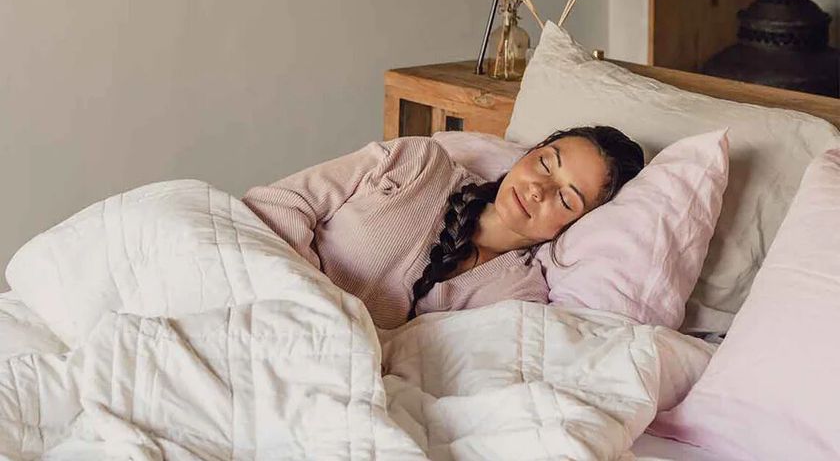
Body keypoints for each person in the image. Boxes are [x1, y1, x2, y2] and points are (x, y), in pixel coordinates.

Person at [243, 127, 644, 329]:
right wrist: (302, 300)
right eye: (544, 163)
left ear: (580, 225)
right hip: (253, 292)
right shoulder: (419, 163)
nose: (539, 190)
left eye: (566, 198)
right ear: (528, 154)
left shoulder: (516, 296)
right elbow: (278, 205)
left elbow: (429, 372)